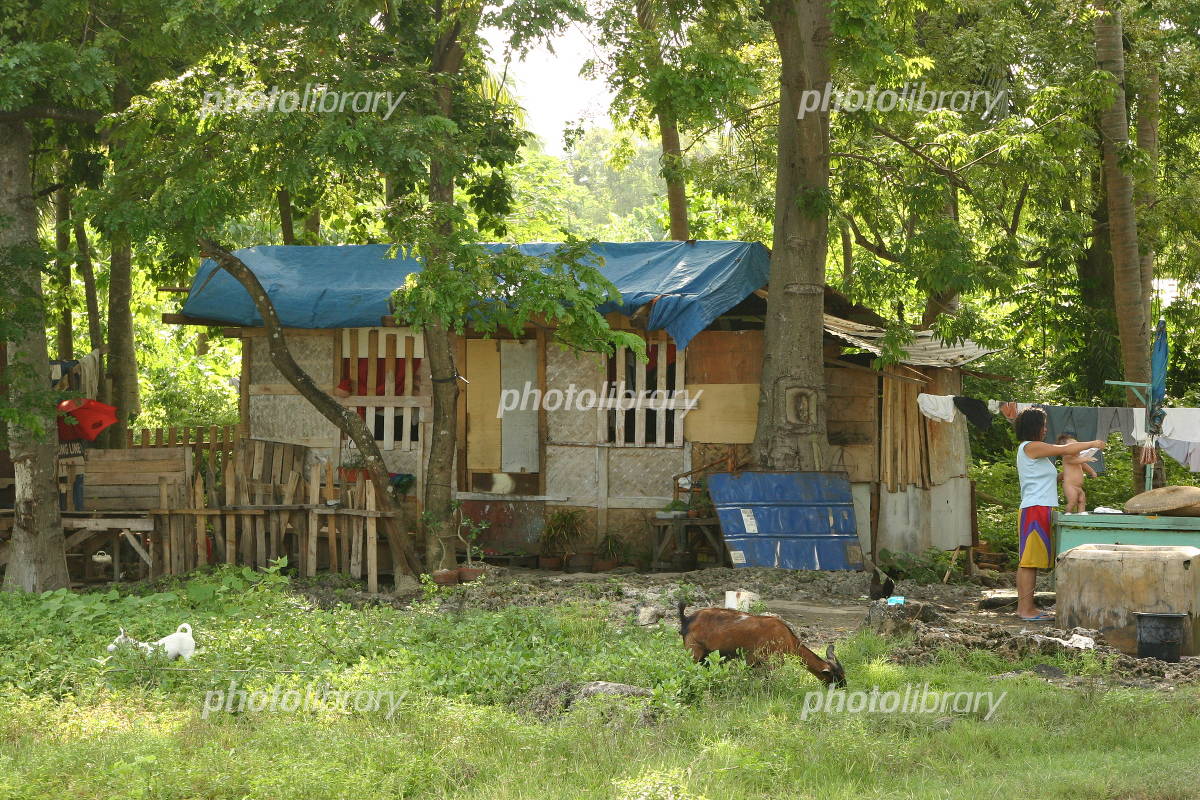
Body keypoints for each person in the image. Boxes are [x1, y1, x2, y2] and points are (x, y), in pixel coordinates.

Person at [1013, 408, 1106, 620]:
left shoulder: (1033, 450)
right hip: (1035, 509)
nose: (1046, 429)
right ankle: (1026, 610)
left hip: (1040, 507)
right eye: (1044, 425)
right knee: (1029, 562)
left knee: (1030, 560)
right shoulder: (1031, 446)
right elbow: (1065, 449)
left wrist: (1065, 476)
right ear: (1034, 426)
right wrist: (1092, 443)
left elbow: (1041, 479)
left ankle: (1025, 608)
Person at [1056, 434, 1098, 513]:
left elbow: (1084, 466)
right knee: (1073, 501)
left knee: (1082, 500)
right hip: (1070, 486)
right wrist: (1087, 458)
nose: (1078, 448)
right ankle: (1067, 514)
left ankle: (1081, 515)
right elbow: (1077, 461)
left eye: (1078, 445)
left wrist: (1092, 472)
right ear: (1065, 450)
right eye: (1074, 446)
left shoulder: (1078, 459)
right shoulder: (1066, 458)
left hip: (1078, 486)